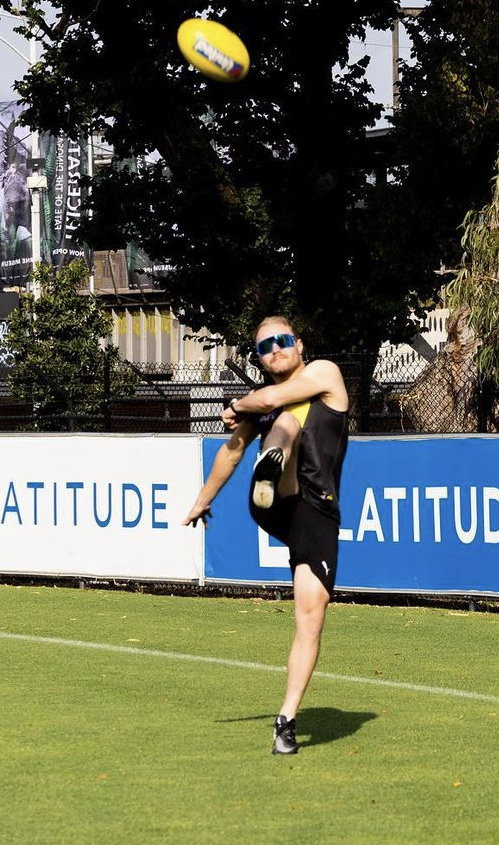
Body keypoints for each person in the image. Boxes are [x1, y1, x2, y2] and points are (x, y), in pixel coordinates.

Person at [183, 315, 349, 756]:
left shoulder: (325, 374)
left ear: (300, 342)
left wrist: (239, 405)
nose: (275, 349)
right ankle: (272, 463)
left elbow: (275, 396)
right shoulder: (263, 406)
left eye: (282, 340)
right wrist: (202, 500)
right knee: (285, 425)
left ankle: (286, 719)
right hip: (273, 502)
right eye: (264, 347)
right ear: (258, 358)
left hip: (315, 514)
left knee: (311, 615)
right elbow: (231, 451)